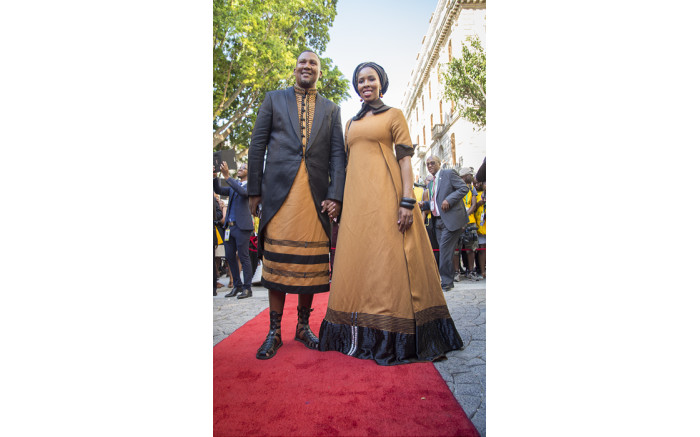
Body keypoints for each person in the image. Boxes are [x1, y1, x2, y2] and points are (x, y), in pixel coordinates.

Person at [318, 61, 463, 365]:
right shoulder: (350, 124)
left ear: (381, 82)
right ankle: (357, 332)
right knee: (360, 262)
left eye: (370, 79)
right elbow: (345, 164)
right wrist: (338, 199)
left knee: (389, 262)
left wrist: (407, 200)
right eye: (360, 80)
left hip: (388, 197)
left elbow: (406, 161)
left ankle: (394, 334)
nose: (365, 84)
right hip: (357, 204)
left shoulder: (394, 115)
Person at [247, 50, 346, 360]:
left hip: (316, 199)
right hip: (278, 194)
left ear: (319, 72)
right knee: (278, 263)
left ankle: (302, 327)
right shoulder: (274, 99)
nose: (307, 66)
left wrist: (336, 195)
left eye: (313, 63)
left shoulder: (331, 109)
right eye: (303, 62)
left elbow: (337, 157)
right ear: (295, 68)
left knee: (309, 267)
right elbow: (257, 144)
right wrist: (254, 190)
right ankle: (274, 332)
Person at [419, 156, 469, 291]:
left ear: (439, 163)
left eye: (432, 163)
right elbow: (436, 204)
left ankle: (446, 282)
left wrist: (449, 199)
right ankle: (448, 280)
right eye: (427, 164)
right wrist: (424, 204)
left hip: (450, 220)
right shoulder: (430, 183)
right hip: (438, 222)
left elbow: (464, 188)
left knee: (445, 251)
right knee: (444, 251)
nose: (429, 166)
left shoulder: (448, 174)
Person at [213, 161, 255, 299]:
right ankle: (237, 285)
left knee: (243, 257)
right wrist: (215, 177)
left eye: (244, 167)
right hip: (229, 227)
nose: (240, 169)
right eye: (240, 167)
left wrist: (227, 177)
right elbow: (219, 190)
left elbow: (243, 193)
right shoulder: (233, 185)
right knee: (229, 256)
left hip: (242, 226)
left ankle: (247, 288)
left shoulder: (250, 185)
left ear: (249, 171)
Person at [214, 194, 224, 296]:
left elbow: (219, 214)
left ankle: (215, 279)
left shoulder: (213, 200)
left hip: (216, 231)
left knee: (217, 256)